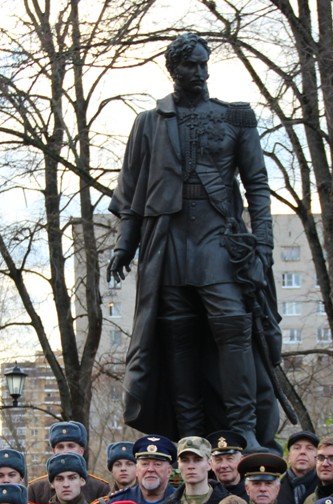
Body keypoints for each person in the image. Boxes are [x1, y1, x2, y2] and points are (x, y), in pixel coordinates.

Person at [107, 31, 278, 450]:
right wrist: (125, 245)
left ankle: (244, 429)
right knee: (177, 336)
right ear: (173, 69)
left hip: (219, 239)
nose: (201, 72)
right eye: (191, 65)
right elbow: (131, 193)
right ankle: (189, 434)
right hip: (167, 242)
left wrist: (264, 246)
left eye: (204, 64)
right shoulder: (149, 122)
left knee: (233, 326)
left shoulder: (236, 117)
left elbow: (257, 185)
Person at [96, 435, 177, 504]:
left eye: (157, 464)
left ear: (169, 471)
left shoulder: (181, 502)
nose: (150, 469)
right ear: (137, 470)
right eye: (145, 464)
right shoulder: (118, 502)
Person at [27, 422, 111, 504]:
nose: (65, 451)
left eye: (71, 446)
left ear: (81, 451)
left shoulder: (99, 488)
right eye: (60, 447)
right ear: (53, 451)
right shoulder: (35, 489)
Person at [277, 431, 319, 504]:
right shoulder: (275, 486)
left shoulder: (326, 486)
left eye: (309, 448)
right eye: (297, 448)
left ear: (317, 457)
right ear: (289, 457)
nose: (302, 452)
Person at [206, 430, 247, 497]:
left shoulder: (253, 493)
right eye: (218, 460)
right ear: (210, 464)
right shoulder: (204, 494)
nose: (224, 465)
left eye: (230, 459)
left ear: (241, 461)